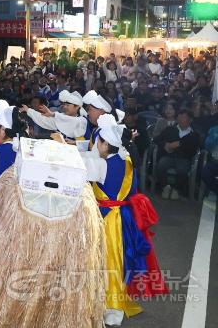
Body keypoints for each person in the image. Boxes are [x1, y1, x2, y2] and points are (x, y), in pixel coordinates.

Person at [80, 113, 167, 327]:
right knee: (118, 263)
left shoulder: (102, 166)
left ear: (104, 144)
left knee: (107, 262)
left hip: (107, 219)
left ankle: (109, 308)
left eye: (97, 140)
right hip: (124, 218)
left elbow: (79, 167)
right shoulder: (126, 158)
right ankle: (113, 307)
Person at [154, 108, 201, 199]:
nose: (180, 120)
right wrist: (166, 145)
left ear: (190, 120)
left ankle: (176, 189)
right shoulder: (170, 129)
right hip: (169, 156)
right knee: (161, 165)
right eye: (179, 117)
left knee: (182, 169)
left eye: (184, 117)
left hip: (184, 158)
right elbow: (157, 139)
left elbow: (193, 149)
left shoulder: (194, 134)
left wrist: (179, 145)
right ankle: (165, 187)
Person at [19, 90, 88, 142]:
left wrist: (53, 114)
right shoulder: (61, 116)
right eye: (64, 105)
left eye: (67, 105)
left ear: (77, 107)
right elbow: (44, 120)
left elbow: (73, 121)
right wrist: (29, 111)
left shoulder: (82, 120)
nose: (64, 107)